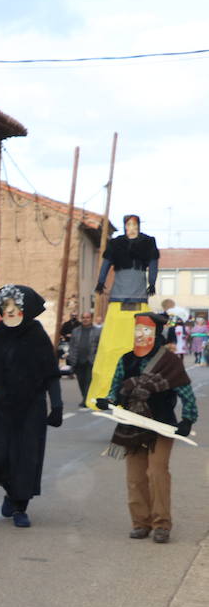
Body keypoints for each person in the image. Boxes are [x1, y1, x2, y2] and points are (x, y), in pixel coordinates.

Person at [97, 312, 197, 543]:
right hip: (132, 424)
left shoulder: (169, 362)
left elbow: (186, 393)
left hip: (161, 425)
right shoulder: (126, 359)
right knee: (135, 477)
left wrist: (187, 419)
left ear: (156, 333)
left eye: (146, 330)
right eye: (137, 330)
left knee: (157, 473)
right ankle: (140, 522)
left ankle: (161, 524)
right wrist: (108, 402)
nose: (140, 335)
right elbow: (116, 389)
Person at [0, 285, 62, 528]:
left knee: (26, 458)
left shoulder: (36, 334)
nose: (9, 312)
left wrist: (58, 405)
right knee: (0, 454)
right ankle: (10, 490)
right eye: (5, 307)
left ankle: (21, 506)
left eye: (14, 307)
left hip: (31, 407)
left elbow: (51, 373)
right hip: (0, 406)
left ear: (25, 309)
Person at [88, 214, 159, 409]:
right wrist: (100, 281)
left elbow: (153, 263)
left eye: (134, 224)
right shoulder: (116, 244)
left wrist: (152, 283)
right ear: (125, 226)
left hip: (138, 294)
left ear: (138, 226)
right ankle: (106, 392)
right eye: (128, 224)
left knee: (137, 343)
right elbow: (106, 264)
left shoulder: (147, 242)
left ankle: (134, 393)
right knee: (110, 346)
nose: (131, 228)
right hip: (119, 296)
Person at [68, 311, 101, 404]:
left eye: (87, 317)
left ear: (91, 319)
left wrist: (97, 357)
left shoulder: (97, 331)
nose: (85, 319)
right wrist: (71, 357)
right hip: (78, 360)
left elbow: (99, 346)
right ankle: (85, 397)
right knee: (81, 381)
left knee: (88, 381)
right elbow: (72, 346)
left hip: (91, 360)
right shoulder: (76, 331)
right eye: (83, 318)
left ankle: (86, 400)